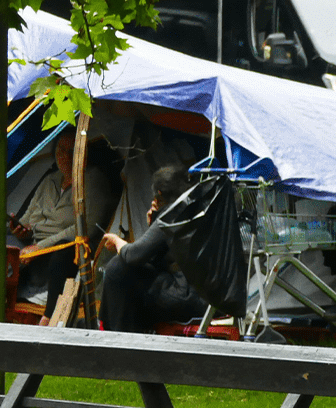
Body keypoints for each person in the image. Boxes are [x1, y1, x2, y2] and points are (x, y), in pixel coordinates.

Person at [11, 130, 118, 310]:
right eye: (61, 151)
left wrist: (40, 247)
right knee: (5, 245)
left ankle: (50, 314)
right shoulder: (49, 180)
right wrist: (22, 230)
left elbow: (87, 227)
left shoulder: (93, 180)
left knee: (63, 251)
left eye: (72, 152)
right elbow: (28, 217)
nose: (66, 157)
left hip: (63, 250)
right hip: (33, 246)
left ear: (83, 154)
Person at [99, 166, 205, 333]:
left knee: (117, 269)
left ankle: (116, 334)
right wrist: (153, 223)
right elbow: (156, 256)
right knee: (127, 271)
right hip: (206, 297)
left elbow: (134, 255)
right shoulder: (196, 210)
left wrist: (118, 241)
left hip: (187, 299)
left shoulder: (172, 215)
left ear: (159, 195)